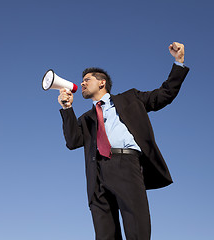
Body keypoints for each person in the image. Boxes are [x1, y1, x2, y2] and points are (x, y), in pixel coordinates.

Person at [58, 42, 190, 240]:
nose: (82, 84)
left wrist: (178, 62)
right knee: (105, 235)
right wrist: (67, 109)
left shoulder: (131, 98)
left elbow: (164, 95)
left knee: (137, 229)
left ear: (102, 83)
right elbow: (73, 141)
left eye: (87, 80)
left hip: (126, 165)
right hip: (96, 175)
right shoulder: (87, 118)